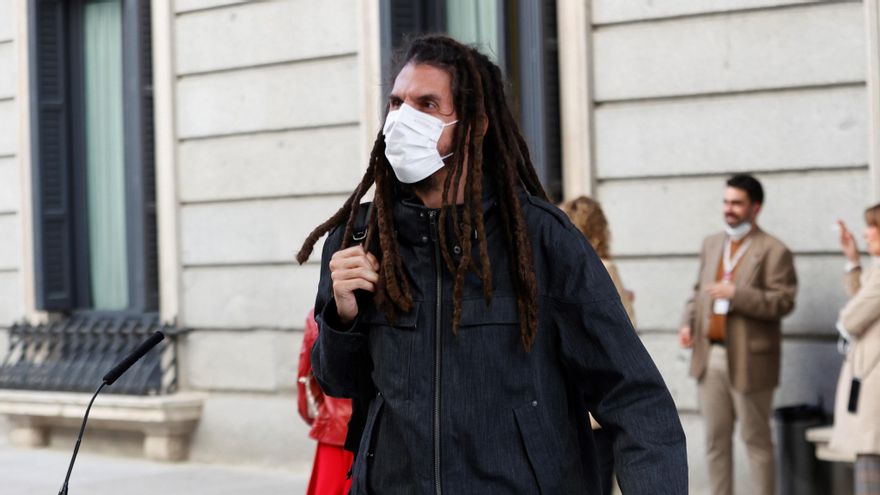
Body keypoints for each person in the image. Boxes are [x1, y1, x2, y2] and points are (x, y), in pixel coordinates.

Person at [297, 35, 687, 494]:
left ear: (475, 124)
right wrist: (343, 316)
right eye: (396, 103)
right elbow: (340, 382)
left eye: (427, 104)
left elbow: (633, 396)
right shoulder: (361, 238)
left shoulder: (542, 240)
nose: (403, 120)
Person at [678, 174, 797, 495]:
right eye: (726, 201)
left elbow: (783, 302)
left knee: (756, 442)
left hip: (750, 359)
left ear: (755, 208)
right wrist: (688, 322)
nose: (728, 209)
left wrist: (736, 294)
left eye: (737, 203)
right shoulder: (712, 243)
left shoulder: (774, 250)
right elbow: (697, 292)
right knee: (715, 442)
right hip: (710, 355)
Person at [560, 195, 636, 495]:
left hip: (579, 399)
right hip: (597, 397)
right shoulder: (603, 267)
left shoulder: (568, 268)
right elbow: (624, 330)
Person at [832, 209, 880, 495]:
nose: (865, 233)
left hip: (874, 380)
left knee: (870, 461)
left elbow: (851, 318)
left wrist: (845, 320)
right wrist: (852, 260)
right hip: (870, 375)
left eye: (872, 226)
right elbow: (862, 298)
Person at [297, 309, 353, 495]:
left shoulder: (318, 315)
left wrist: (313, 415)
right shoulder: (385, 313)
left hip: (334, 428)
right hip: (375, 432)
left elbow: (305, 375)